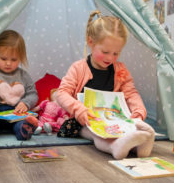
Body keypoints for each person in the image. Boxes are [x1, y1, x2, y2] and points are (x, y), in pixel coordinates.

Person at [56, 10, 155, 160]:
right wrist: (78, 109)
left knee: (128, 128)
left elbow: (131, 93)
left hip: (113, 119)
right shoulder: (78, 68)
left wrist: (138, 112)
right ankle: (115, 147)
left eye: (116, 53)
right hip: (84, 121)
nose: (110, 58)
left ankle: (141, 145)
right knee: (95, 135)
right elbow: (61, 93)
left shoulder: (120, 70)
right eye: (105, 52)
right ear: (91, 42)